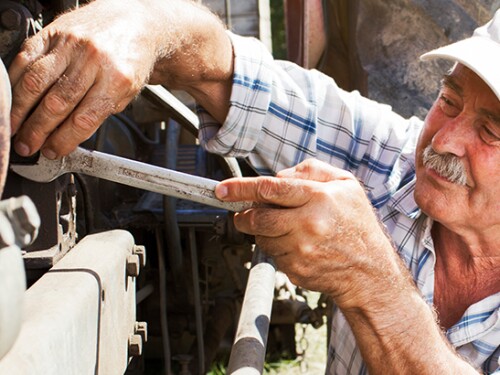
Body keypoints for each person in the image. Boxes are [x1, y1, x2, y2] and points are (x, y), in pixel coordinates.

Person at [7, 0, 499, 373]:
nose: (446, 140)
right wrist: (141, 24)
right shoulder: (394, 163)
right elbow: (237, 77)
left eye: (491, 131)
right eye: (450, 100)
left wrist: (371, 279)